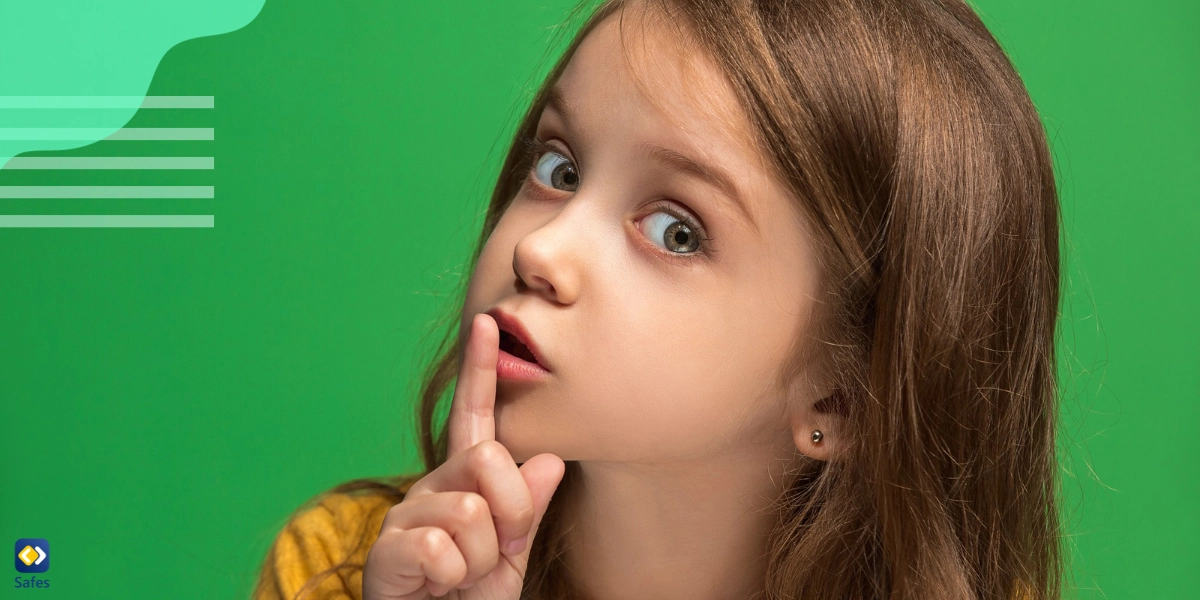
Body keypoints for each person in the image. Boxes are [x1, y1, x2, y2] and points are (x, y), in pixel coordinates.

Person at [252, 0, 1063, 598]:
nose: (541, 250)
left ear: (843, 397)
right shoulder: (348, 571)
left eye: (676, 231)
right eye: (559, 168)